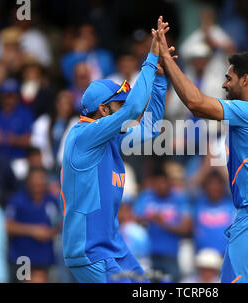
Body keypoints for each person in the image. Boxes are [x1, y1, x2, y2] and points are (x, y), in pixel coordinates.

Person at [154, 18, 248, 283]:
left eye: (228, 78)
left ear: (245, 80)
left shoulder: (247, 112)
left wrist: (166, 57)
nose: (223, 85)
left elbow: (196, 103)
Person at [60, 17, 174, 283]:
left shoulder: (110, 137)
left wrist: (158, 79)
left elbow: (152, 128)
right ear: (103, 110)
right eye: (118, 104)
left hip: (113, 245)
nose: (124, 109)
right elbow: (135, 109)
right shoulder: (83, 135)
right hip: (89, 251)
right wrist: (150, 57)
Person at [133, 169, 192, 283]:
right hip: (148, 255)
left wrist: (163, 223)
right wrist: (147, 218)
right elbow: (133, 220)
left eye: (164, 182)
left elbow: (186, 228)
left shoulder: (179, 198)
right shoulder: (146, 196)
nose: (161, 186)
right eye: (158, 183)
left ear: (170, 183)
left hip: (170, 255)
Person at [5, 167, 60, 283]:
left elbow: (60, 224)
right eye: (34, 179)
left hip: (46, 259)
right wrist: (32, 231)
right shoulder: (18, 200)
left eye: (40, 179)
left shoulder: (52, 200)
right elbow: (7, 225)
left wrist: (50, 233)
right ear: (28, 181)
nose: (37, 183)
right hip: (22, 258)